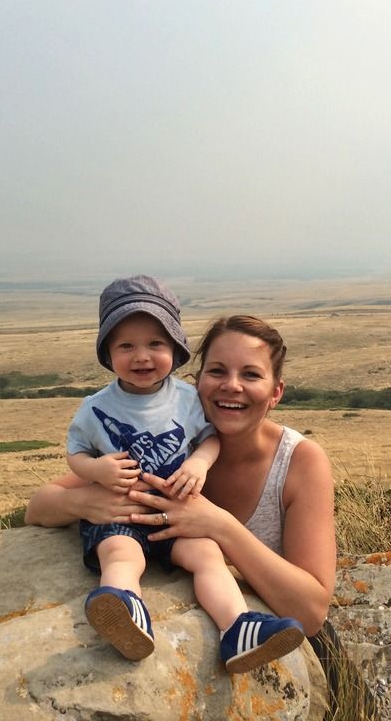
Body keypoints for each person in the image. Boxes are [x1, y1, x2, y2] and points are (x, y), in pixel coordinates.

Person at [62, 277, 306, 673]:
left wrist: (197, 464)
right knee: (120, 554)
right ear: (107, 353)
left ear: (176, 351)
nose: (142, 356)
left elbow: (209, 439)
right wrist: (95, 471)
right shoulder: (95, 407)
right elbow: (75, 453)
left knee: (208, 555)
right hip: (124, 516)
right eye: (126, 346)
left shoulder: (188, 399)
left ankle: (237, 628)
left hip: (179, 516)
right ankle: (126, 610)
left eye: (155, 344)